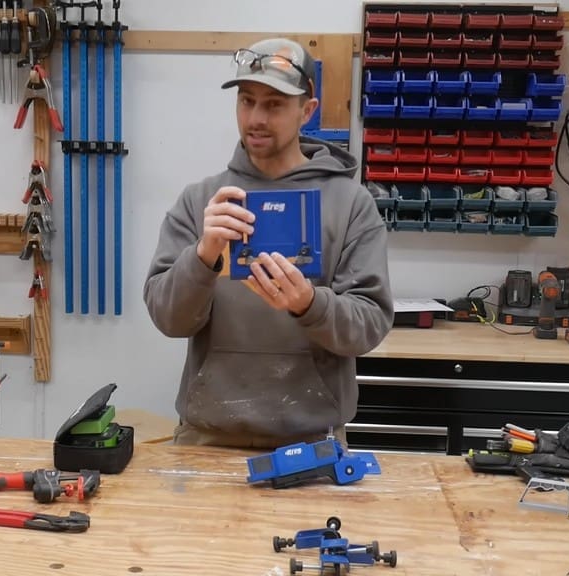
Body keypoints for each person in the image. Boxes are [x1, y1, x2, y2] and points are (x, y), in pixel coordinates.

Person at [142, 38, 394, 449]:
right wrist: (203, 258)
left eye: (274, 104)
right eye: (247, 101)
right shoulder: (201, 201)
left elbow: (368, 327)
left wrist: (310, 305)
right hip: (208, 439)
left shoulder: (351, 205)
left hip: (313, 443)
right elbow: (169, 320)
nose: (256, 118)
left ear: (306, 112)